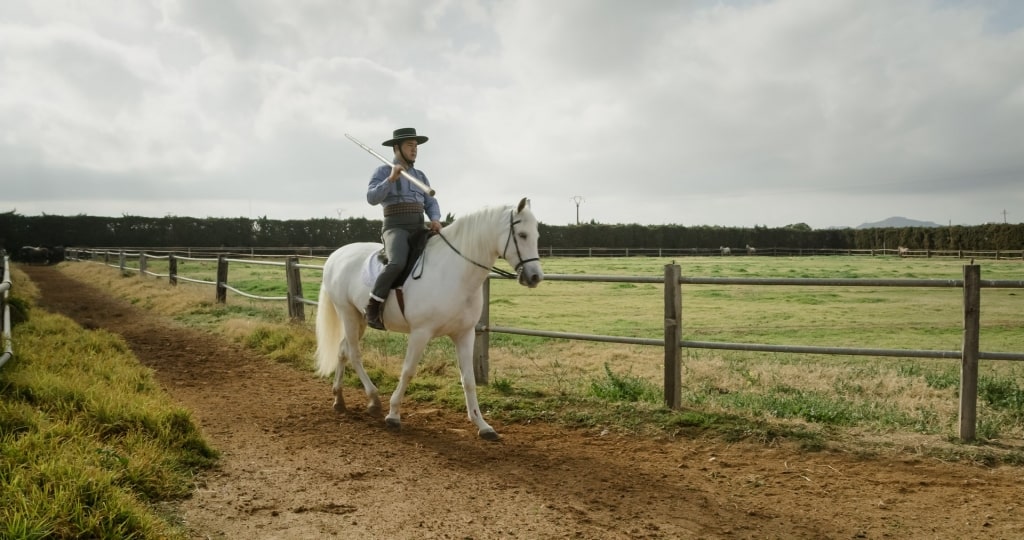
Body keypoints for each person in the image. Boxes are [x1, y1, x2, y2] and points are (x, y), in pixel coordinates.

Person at [364, 127, 443, 330]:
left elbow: (431, 203)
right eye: (410, 145)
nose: (414, 149)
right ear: (397, 148)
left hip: (419, 225)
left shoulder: (420, 176)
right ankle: (373, 306)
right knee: (397, 262)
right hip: (395, 227)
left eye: (416, 146)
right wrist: (390, 179)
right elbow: (371, 198)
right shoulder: (382, 171)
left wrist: (434, 218)